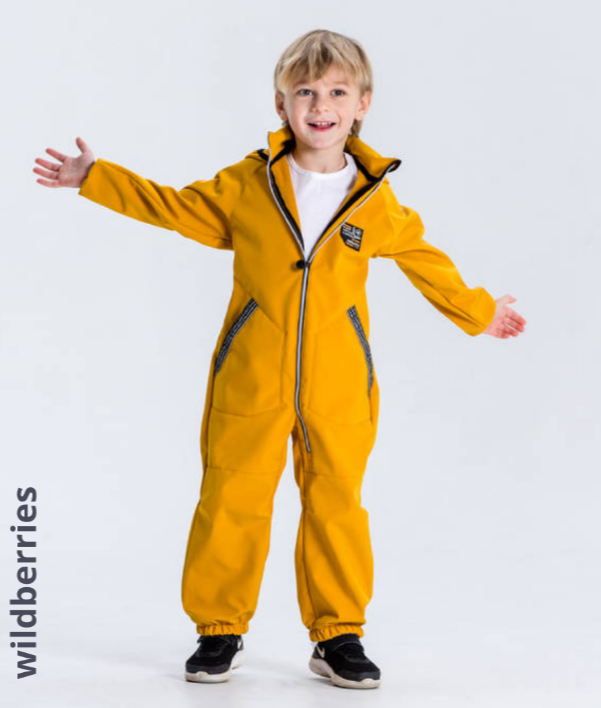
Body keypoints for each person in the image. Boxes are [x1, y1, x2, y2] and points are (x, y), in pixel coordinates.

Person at [33, 28, 526, 690]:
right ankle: (219, 629)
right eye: (305, 92)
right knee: (231, 496)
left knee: (336, 504)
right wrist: (96, 178)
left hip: (340, 384)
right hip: (249, 378)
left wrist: (478, 311)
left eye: (337, 93)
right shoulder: (250, 184)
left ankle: (338, 634)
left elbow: (424, 260)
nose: (320, 106)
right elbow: (176, 208)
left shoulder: (374, 198)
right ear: (280, 104)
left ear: (362, 104)